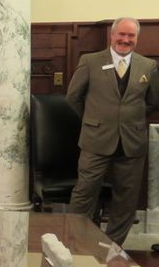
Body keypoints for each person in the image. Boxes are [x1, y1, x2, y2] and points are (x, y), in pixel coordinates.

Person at [67, 17, 159, 246]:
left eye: (131, 36)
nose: (125, 40)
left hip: (132, 142)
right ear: (112, 34)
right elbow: (73, 97)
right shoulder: (90, 61)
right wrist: (93, 120)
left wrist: (128, 120)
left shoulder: (148, 66)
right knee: (84, 194)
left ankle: (111, 250)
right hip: (95, 140)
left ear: (137, 38)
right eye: (122, 34)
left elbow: (152, 101)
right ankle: (78, 245)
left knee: (126, 201)